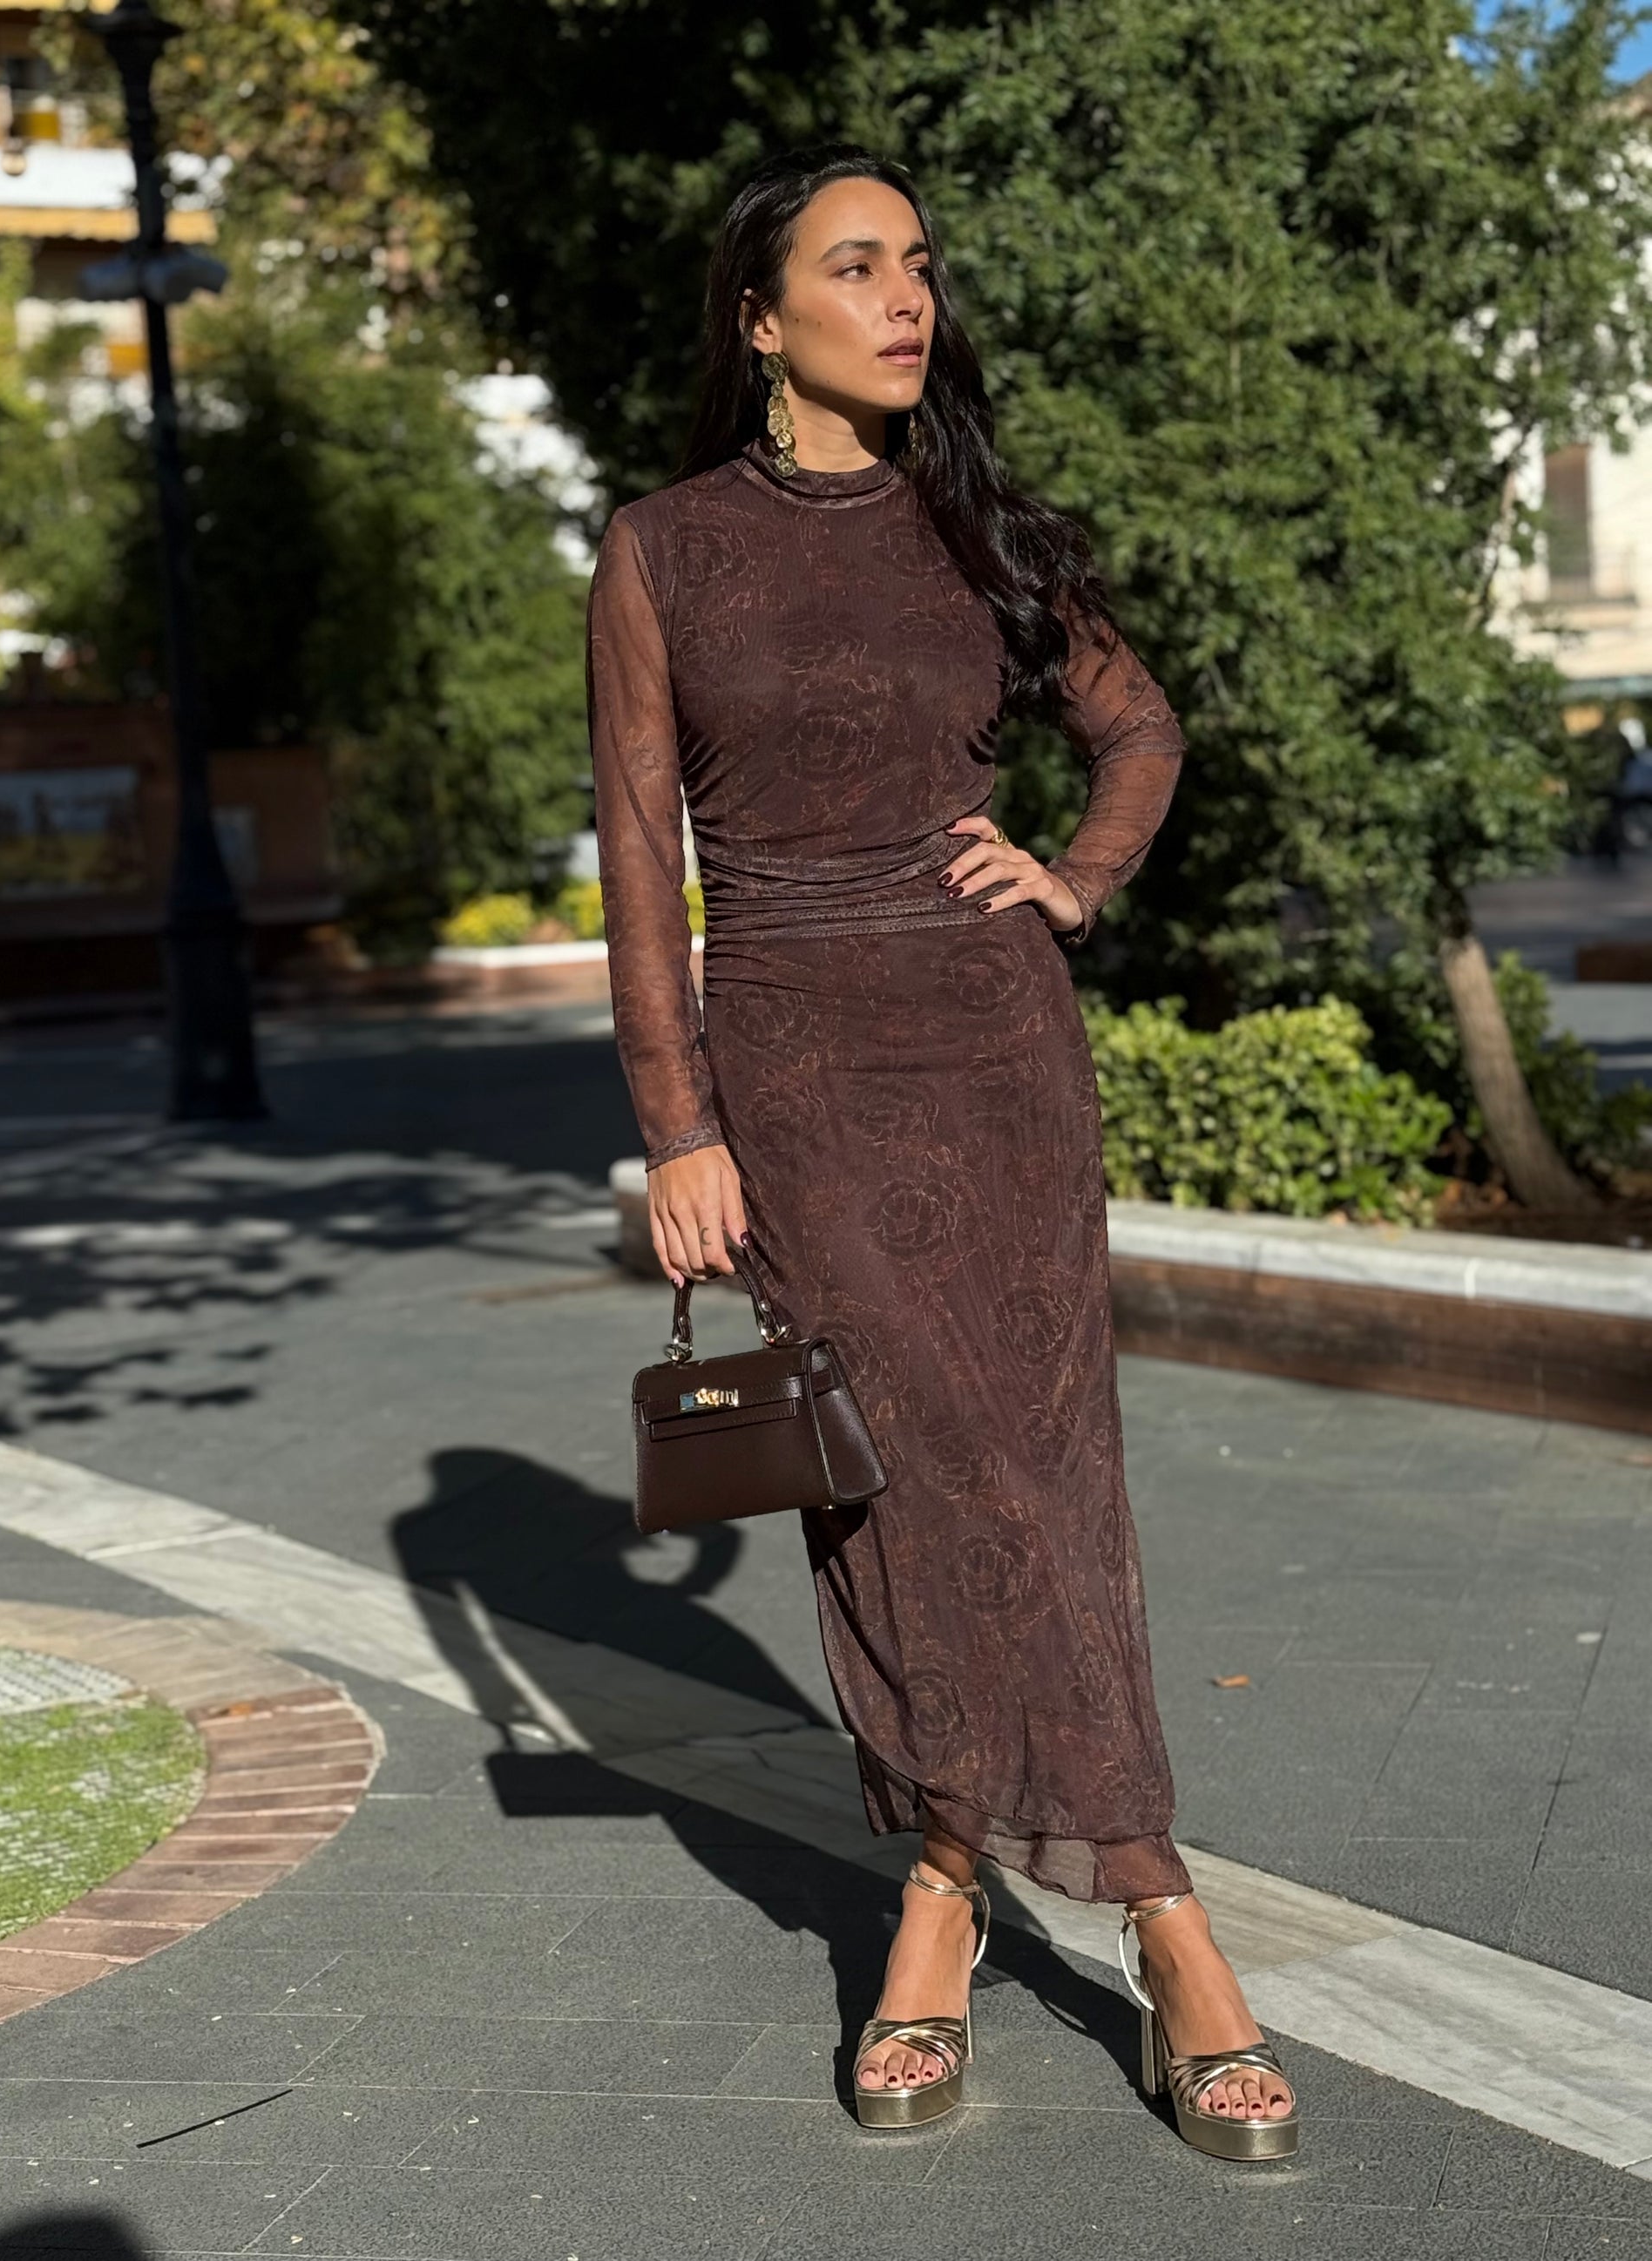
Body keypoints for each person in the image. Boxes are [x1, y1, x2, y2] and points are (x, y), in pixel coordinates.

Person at [587, 142, 1297, 2162]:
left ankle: (1069, 1894)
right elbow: (639, 852)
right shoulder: (662, 550)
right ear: (760, 318)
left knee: (1042, 1476)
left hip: (996, 1060)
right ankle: (1046, 1895)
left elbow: (1138, 728)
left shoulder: (981, 527)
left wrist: (1074, 875)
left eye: (915, 263)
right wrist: (674, 1121)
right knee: (896, 1493)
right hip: (797, 1076)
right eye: (853, 266)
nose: (904, 297)